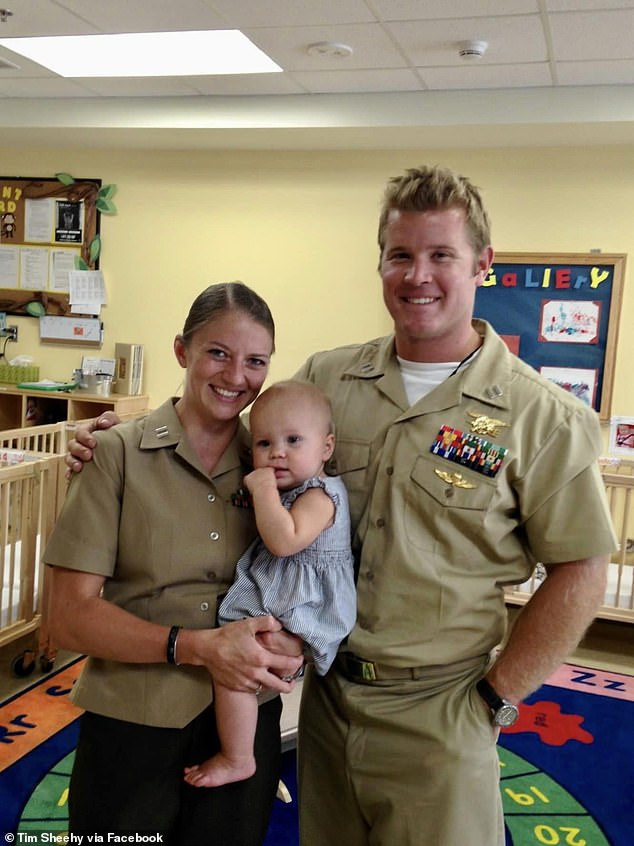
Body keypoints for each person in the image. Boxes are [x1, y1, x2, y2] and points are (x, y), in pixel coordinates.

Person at [67, 165, 617, 846]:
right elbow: (237, 424)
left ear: (483, 263)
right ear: (381, 264)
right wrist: (121, 441)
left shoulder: (544, 418)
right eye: (401, 255)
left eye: (441, 254)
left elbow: (582, 568)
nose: (418, 275)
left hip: (440, 709)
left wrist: (498, 697)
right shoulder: (331, 378)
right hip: (326, 700)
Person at [45, 282, 303, 845]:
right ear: (182, 350)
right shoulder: (114, 453)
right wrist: (197, 646)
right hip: (130, 721)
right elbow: (66, 618)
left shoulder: (275, 469)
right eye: (218, 353)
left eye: (255, 361)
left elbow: (310, 574)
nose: (237, 376)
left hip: (242, 720)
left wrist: (299, 647)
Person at [184, 379, 356, 788]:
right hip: (285, 595)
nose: (277, 452)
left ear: (326, 448)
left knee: (234, 670)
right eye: (264, 444)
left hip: (306, 604)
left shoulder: (320, 494)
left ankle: (238, 756)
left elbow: (283, 542)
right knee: (236, 662)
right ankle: (239, 749)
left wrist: (261, 488)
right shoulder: (291, 488)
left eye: (294, 440)